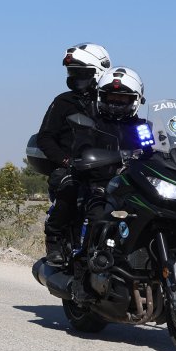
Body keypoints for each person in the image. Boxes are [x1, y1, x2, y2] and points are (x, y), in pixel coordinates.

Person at [36, 43, 111, 265]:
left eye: (82, 73)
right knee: (69, 185)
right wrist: (65, 161)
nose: (75, 77)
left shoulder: (115, 101)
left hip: (108, 169)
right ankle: (55, 239)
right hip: (73, 168)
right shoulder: (63, 102)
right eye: (72, 72)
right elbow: (45, 138)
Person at [71, 67, 148, 257]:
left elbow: (155, 151)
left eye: (123, 98)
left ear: (135, 100)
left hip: (135, 189)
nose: (116, 102)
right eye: (111, 97)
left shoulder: (143, 128)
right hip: (101, 187)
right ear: (101, 97)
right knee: (99, 218)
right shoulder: (91, 124)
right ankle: (85, 264)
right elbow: (81, 153)